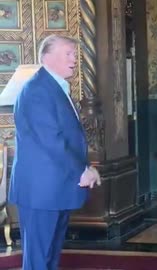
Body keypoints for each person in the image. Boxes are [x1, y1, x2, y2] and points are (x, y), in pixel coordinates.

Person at [9, 34, 101, 270]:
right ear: (48, 57)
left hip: (55, 188)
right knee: (38, 261)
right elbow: (51, 141)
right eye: (68, 54)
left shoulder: (54, 87)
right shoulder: (36, 90)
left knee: (49, 258)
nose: (74, 60)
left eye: (74, 54)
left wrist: (85, 167)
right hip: (41, 192)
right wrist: (82, 170)